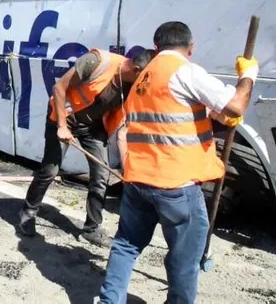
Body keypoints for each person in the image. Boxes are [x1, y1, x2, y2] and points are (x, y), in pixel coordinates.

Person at [98, 22, 257, 303]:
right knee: (185, 258)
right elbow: (236, 105)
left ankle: (111, 300)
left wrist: (217, 117)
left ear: (156, 46)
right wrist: (248, 76)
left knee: (126, 244)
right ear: (191, 48)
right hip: (176, 185)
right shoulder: (186, 71)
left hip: (137, 181)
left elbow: (173, 115)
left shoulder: (143, 78)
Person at [19, 48, 153, 247]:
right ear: (135, 69)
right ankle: (28, 212)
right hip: (65, 117)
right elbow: (59, 87)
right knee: (50, 170)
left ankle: (92, 228)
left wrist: (127, 170)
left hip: (92, 126)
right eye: (144, 79)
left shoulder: (130, 87)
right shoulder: (97, 62)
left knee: (101, 175)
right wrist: (62, 127)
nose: (144, 85)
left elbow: (122, 133)